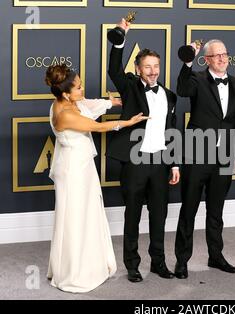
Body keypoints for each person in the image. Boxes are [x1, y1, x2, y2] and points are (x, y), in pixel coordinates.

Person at [46, 64, 148, 293]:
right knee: (75, 218)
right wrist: (128, 122)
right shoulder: (65, 114)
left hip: (80, 165)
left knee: (84, 215)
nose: (83, 90)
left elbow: (87, 104)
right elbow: (97, 126)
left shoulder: (68, 102)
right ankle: (74, 272)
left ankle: (85, 264)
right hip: (74, 171)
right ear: (65, 93)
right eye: (79, 87)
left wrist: (111, 103)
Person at [106, 19, 180, 283]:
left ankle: (158, 263)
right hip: (135, 161)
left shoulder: (169, 95)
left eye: (156, 66)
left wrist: (174, 164)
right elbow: (114, 68)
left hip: (161, 162)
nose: (153, 71)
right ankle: (133, 265)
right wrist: (121, 37)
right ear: (137, 69)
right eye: (147, 66)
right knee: (133, 215)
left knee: (159, 216)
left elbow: (172, 130)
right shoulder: (129, 86)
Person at [174, 39, 235, 279]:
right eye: (216, 56)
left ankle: (216, 257)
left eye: (225, 54)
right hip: (197, 153)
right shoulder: (196, 79)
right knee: (189, 210)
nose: (222, 59)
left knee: (216, 212)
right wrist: (187, 62)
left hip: (225, 155)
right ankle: (182, 261)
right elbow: (183, 90)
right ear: (206, 60)